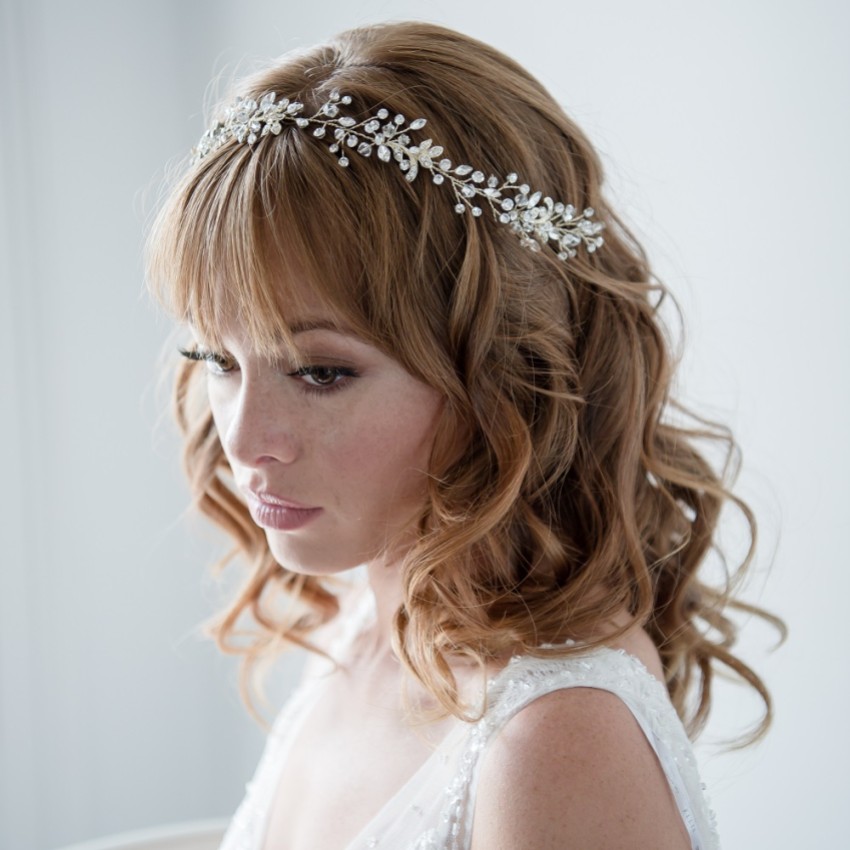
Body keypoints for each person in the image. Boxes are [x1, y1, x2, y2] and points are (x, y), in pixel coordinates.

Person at [146, 20, 780, 850]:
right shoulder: (364, 616)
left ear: (501, 371)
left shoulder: (555, 743)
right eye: (217, 358)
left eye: (322, 373)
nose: (244, 438)